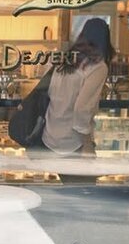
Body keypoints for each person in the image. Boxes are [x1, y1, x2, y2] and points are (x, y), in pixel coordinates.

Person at [41, 16, 114, 155]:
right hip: (73, 142)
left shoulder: (64, 60)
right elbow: (82, 108)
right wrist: (87, 144)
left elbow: (49, 93)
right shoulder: (98, 67)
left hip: (49, 136)